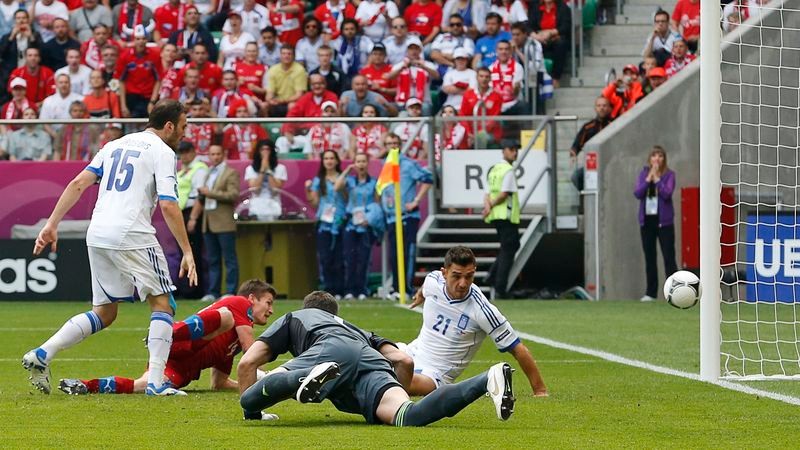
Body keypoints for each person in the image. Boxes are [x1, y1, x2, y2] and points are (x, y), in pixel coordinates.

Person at [22, 99, 197, 396]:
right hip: (132, 232)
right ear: (169, 126)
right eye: (183, 126)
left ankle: (42, 353)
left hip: (99, 232)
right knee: (163, 303)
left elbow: (78, 183)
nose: (184, 133)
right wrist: (187, 251)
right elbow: (168, 205)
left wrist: (52, 224)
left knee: (104, 312)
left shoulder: (114, 145)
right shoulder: (163, 152)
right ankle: (155, 383)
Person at [237, 291, 516, 425]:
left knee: (249, 399)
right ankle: (486, 380)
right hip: (370, 359)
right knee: (408, 415)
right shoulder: (359, 330)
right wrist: (393, 391)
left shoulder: (297, 317)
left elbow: (248, 362)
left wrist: (252, 413)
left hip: (328, 350)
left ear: (309, 307)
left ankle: (300, 378)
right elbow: (404, 361)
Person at [57, 280, 276, 400]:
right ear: (252, 299)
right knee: (225, 317)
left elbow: (218, 383)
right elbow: (251, 352)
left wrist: (247, 384)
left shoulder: (232, 343)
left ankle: (84, 385)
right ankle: (168, 332)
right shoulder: (239, 303)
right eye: (268, 302)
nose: (271, 310)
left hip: (182, 366)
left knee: (143, 385)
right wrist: (269, 379)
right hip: (180, 342)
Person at [404, 245, 548, 398]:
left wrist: (540, 391)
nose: (463, 283)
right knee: (384, 350)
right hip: (410, 352)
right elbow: (427, 286)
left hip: (434, 375)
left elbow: (518, 349)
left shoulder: (482, 311)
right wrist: (420, 295)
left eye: (469, 276)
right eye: (456, 276)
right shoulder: (434, 279)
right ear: (444, 273)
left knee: (398, 383)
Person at [380, 136, 433, 299]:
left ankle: (407, 288)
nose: (393, 146)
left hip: (407, 216)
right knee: (394, 254)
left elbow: (428, 179)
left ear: (400, 146)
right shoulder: (386, 165)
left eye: (395, 144)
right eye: (389, 144)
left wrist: (416, 200)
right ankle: (397, 288)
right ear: (385, 146)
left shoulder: (408, 164)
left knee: (407, 253)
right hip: (391, 217)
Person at [193, 144, 241, 302]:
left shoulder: (231, 172)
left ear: (223, 154)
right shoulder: (208, 172)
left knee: (229, 259)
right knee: (213, 259)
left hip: (224, 222)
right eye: (212, 154)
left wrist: (210, 193)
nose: (215, 157)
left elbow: (233, 195)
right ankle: (213, 292)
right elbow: (203, 197)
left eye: (218, 154)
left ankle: (230, 291)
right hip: (208, 221)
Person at [633, 146, 677, 302]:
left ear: (664, 159)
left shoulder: (669, 175)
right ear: (650, 159)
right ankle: (651, 293)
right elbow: (638, 193)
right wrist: (648, 180)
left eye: (660, 156)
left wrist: (657, 179)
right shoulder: (643, 174)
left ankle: (674, 291)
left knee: (669, 257)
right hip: (647, 222)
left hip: (664, 223)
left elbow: (667, 194)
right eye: (654, 155)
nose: (657, 159)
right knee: (650, 258)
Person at [335, 153, 378, 299]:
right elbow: (336, 187)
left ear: (368, 163)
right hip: (350, 224)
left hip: (366, 224)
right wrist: (347, 170)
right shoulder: (350, 181)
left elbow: (377, 203)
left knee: (364, 258)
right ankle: (349, 290)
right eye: (358, 161)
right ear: (354, 163)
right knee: (349, 258)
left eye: (363, 161)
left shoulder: (373, 182)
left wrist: (371, 218)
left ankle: (362, 290)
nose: (361, 164)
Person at [305, 150, 347, 297]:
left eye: (332, 158)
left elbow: (348, 199)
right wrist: (308, 190)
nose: (329, 161)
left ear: (337, 161)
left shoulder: (343, 178)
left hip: (340, 221)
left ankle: (340, 289)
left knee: (340, 258)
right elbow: (315, 203)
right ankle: (329, 289)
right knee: (325, 258)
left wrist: (341, 186)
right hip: (324, 223)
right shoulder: (318, 180)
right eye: (326, 158)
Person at [482, 140, 520, 299]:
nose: (515, 152)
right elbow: (504, 194)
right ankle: (499, 286)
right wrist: (490, 205)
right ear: (504, 151)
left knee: (508, 246)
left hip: (495, 215)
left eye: (516, 150)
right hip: (506, 214)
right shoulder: (508, 170)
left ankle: (491, 275)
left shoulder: (494, 169)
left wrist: (487, 207)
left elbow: (487, 193)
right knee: (510, 247)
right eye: (511, 149)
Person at [177, 141, 209, 300]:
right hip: (181, 211)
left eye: (186, 152)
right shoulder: (183, 171)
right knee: (183, 251)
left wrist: (193, 218)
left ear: (193, 152)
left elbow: (200, 196)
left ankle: (194, 289)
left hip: (191, 211)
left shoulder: (199, 168)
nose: (183, 156)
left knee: (192, 251)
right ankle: (185, 288)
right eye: (181, 153)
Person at [385, 35, 438, 114]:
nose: (414, 51)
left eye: (416, 48)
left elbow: (437, 77)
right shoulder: (400, 65)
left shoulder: (428, 64)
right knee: (398, 111)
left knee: (426, 108)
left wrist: (424, 67)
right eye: (411, 48)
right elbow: (389, 77)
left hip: (423, 102)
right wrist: (402, 68)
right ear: (407, 50)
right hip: (403, 102)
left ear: (420, 50)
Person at [0, 10, 44, 105]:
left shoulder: (35, 35)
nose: (21, 20)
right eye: (18, 18)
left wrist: (31, 38)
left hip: (30, 71)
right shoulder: (7, 36)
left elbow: (41, 54)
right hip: (10, 72)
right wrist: (12, 37)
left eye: (24, 18)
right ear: (14, 21)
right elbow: (2, 53)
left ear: (28, 20)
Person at [116, 24, 160, 118]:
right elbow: (121, 81)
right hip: (131, 97)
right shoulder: (125, 56)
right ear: (133, 40)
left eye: (143, 38)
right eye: (138, 39)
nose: (141, 41)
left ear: (147, 40)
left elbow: (158, 79)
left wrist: (152, 102)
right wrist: (123, 105)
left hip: (148, 97)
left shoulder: (155, 55)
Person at [569, 96, 611, 191]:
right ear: (595, 108)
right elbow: (577, 144)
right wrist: (573, 154)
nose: (601, 108)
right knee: (576, 177)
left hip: (610, 165)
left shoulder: (613, 124)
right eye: (599, 105)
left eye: (604, 105)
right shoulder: (588, 127)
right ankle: (586, 197)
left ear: (609, 108)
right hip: (592, 165)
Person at [528, 0, 571, 86]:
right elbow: (529, 26)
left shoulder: (563, 7)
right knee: (530, 46)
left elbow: (566, 26)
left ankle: (556, 78)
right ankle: (534, 80)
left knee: (561, 44)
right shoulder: (535, 7)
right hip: (539, 37)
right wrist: (537, 36)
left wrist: (551, 33)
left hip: (555, 37)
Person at [245, 139, 288, 220]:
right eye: (262, 150)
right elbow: (255, 189)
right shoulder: (250, 169)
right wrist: (262, 169)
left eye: (267, 149)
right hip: (256, 209)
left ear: (272, 151)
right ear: (258, 152)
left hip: (274, 209)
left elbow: (275, 190)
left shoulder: (281, 168)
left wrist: (268, 170)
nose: (265, 152)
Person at [265, 44, 307, 117]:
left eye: (289, 54)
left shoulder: (300, 70)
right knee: (265, 105)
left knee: (291, 105)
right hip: (277, 101)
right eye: (283, 54)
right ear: (280, 56)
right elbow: (270, 92)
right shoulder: (273, 69)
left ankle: (289, 124)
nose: (286, 56)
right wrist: (269, 100)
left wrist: (282, 101)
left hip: (293, 101)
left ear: (294, 56)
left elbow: (299, 95)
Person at [39, 73, 83, 138]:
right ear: (56, 85)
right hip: (53, 136)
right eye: (61, 82)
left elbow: (84, 120)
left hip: (76, 135)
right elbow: (44, 123)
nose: (63, 85)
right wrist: (56, 136)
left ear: (70, 84)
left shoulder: (80, 99)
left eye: (66, 82)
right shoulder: (48, 101)